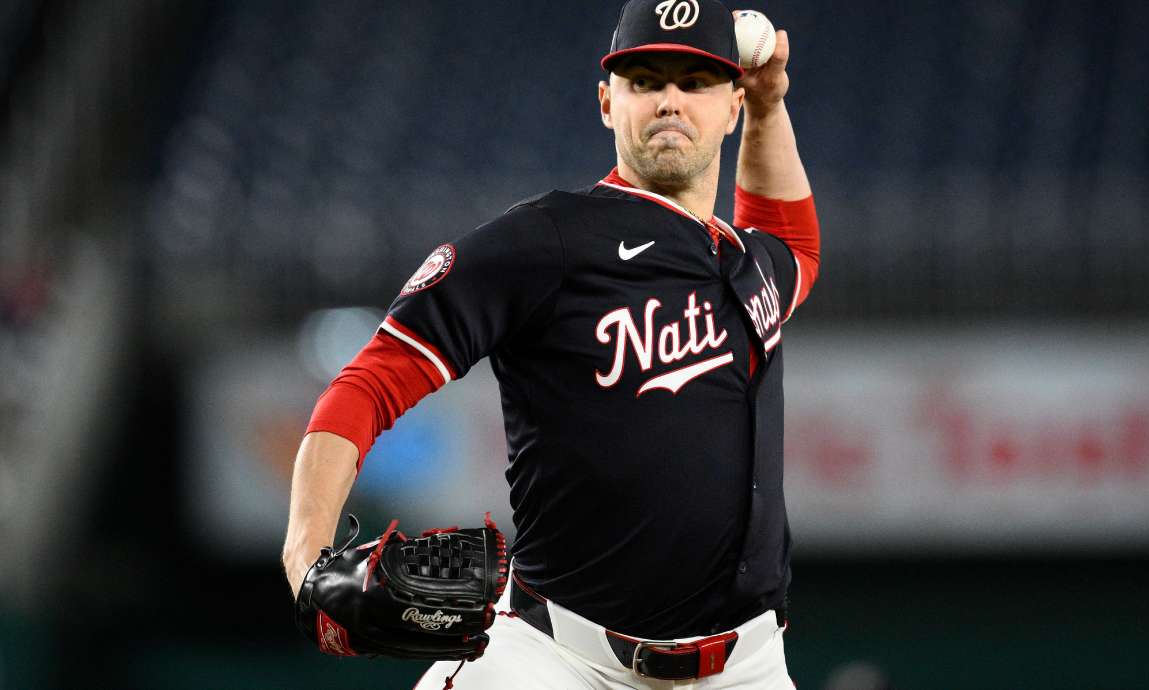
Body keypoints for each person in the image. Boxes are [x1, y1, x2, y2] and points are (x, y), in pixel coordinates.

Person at [282, 0, 820, 687]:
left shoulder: (750, 266)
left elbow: (795, 243)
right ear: (606, 101)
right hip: (557, 659)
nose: (669, 101)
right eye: (645, 80)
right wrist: (306, 556)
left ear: (731, 105)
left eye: (694, 81)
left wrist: (773, 107)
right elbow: (369, 381)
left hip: (747, 669)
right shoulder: (546, 241)